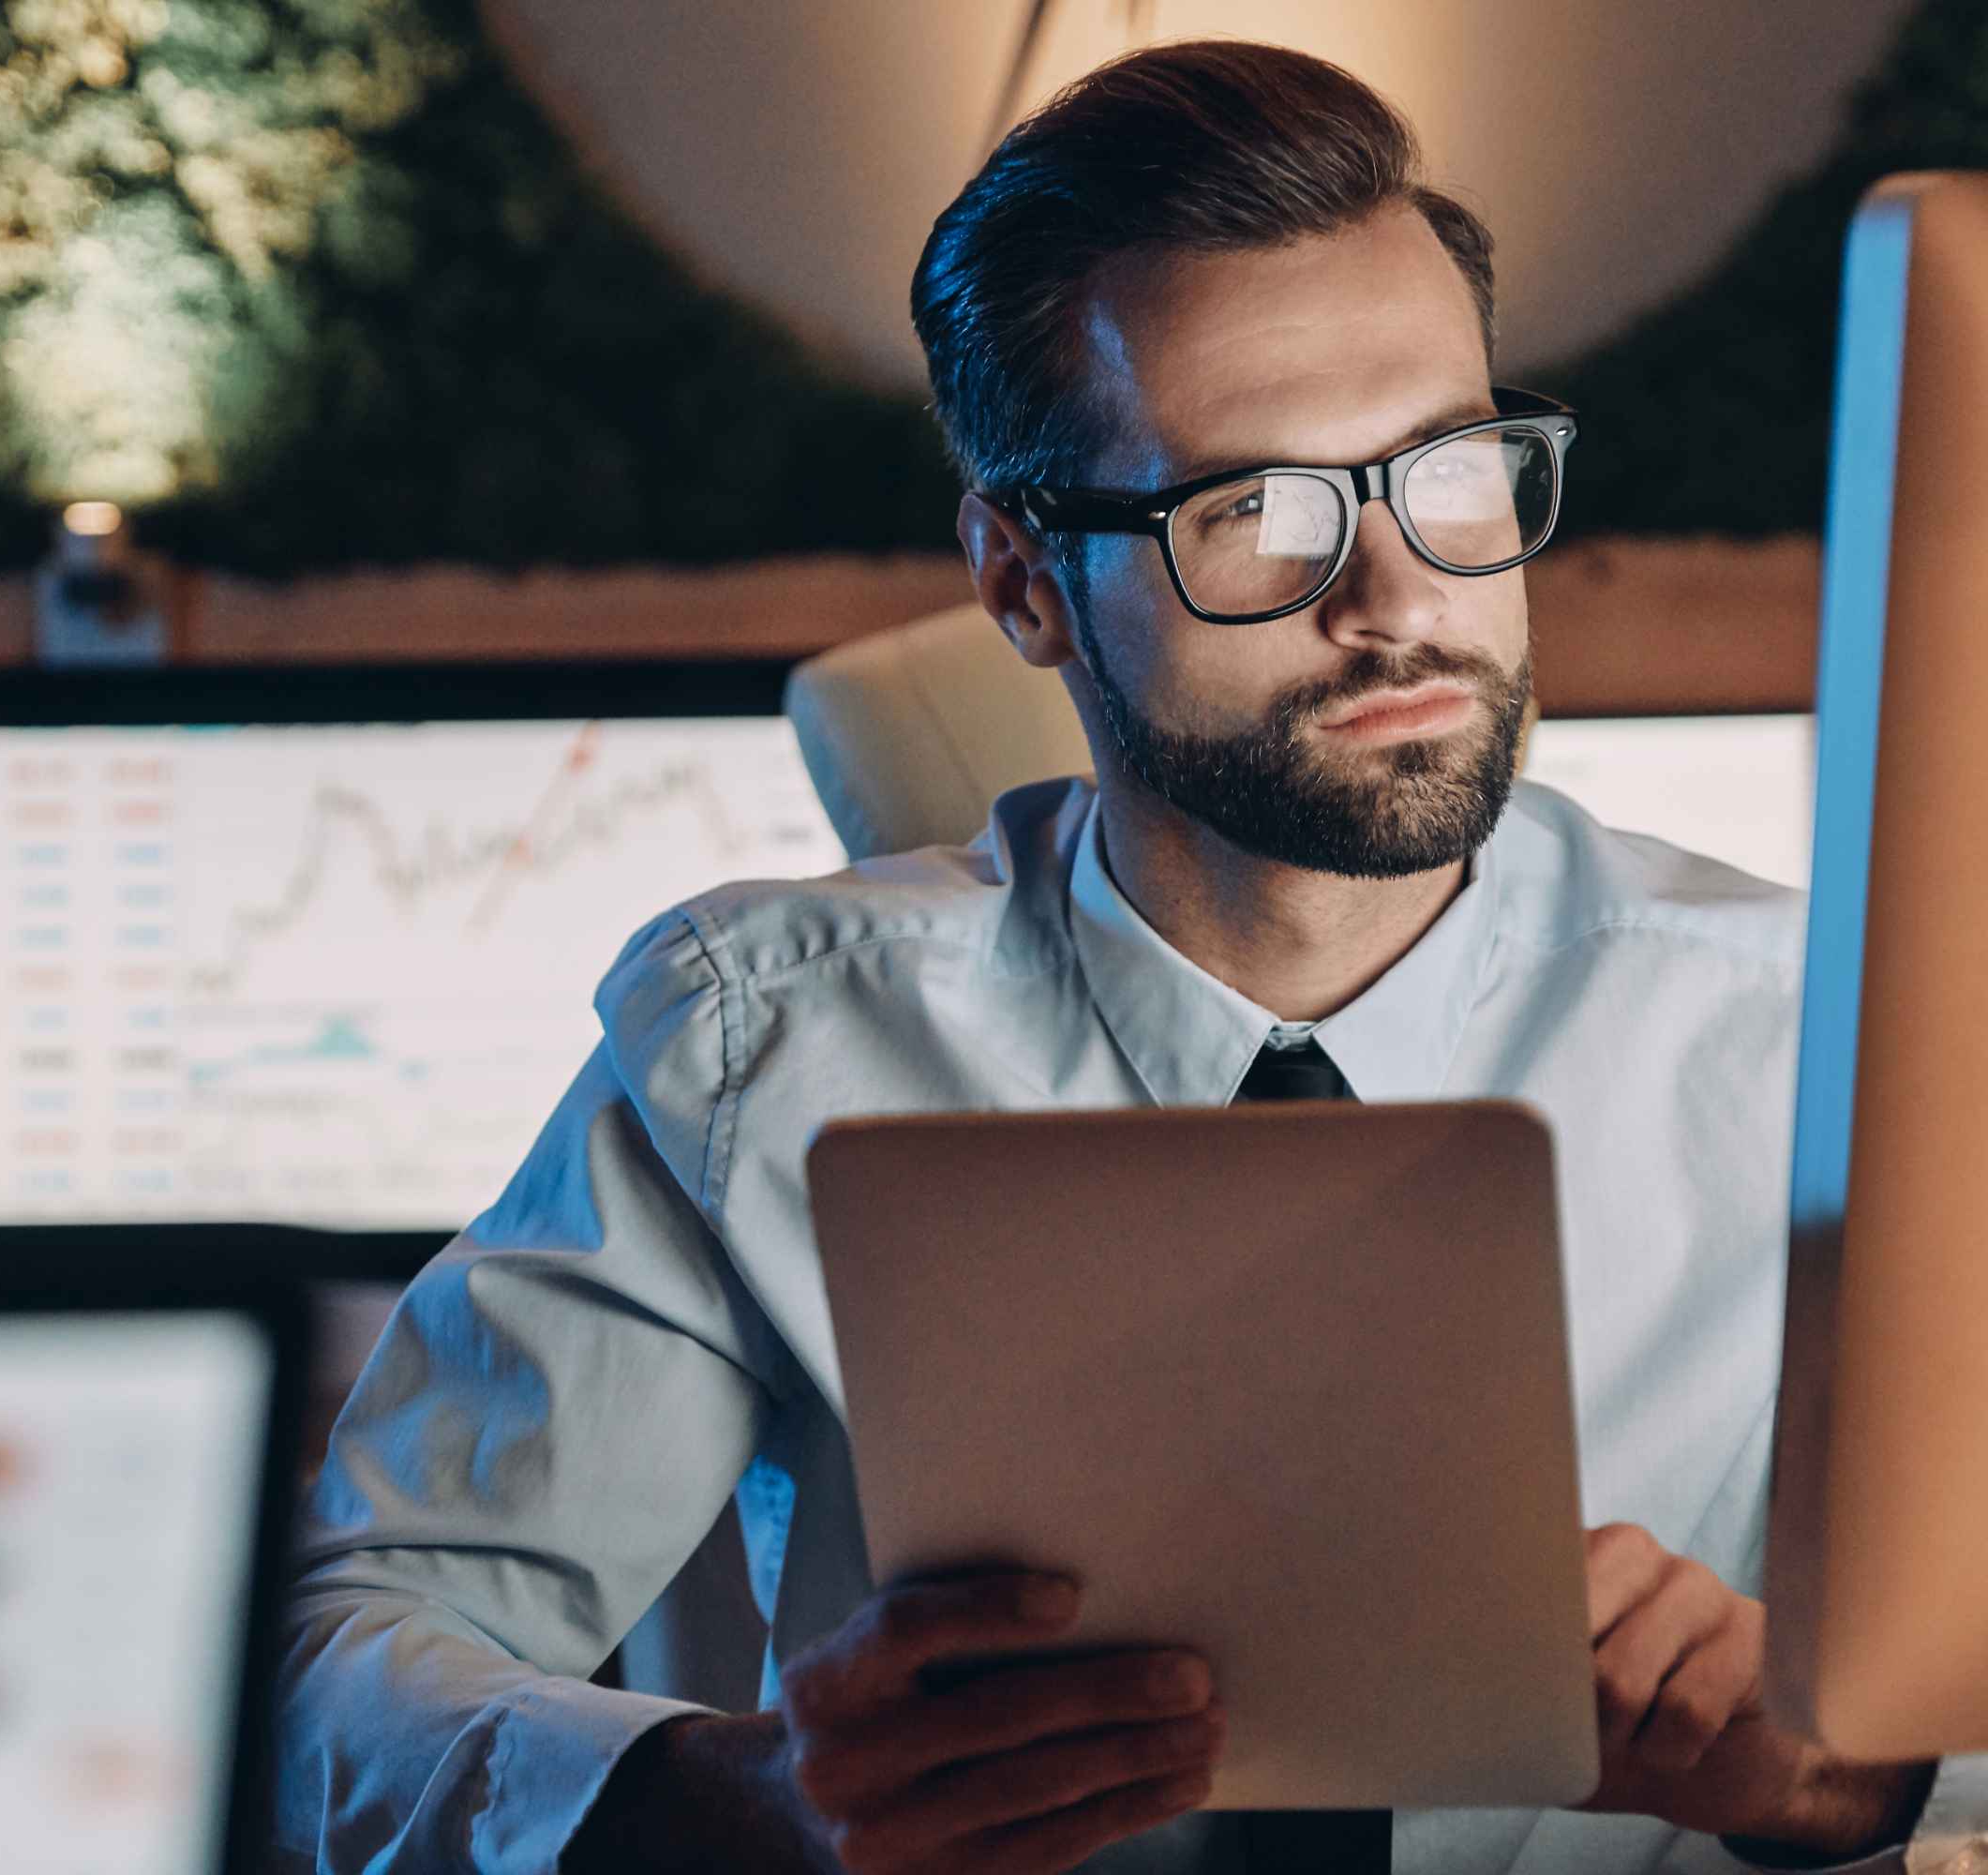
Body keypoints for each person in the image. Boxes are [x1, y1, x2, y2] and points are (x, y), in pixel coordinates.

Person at [272, 40, 1987, 1874]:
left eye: (1451, 468)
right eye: (1251, 509)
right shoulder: (757, 1040)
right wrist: (736, 1803)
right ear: (1020, 577)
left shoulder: (1833, 1051)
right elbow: (332, 1653)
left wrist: (1850, 1777)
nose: (1399, 599)